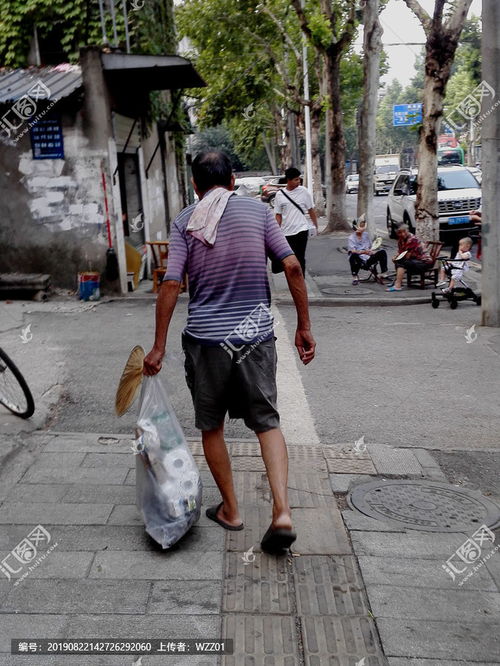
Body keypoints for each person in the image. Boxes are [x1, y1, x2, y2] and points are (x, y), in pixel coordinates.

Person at [143, 151, 316, 555]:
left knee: (212, 425)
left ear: (195, 185)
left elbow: (171, 285)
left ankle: (232, 511)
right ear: (234, 179)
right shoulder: (258, 214)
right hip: (255, 338)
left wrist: (158, 346)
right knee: (267, 423)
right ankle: (282, 512)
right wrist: (304, 326)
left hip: (205, 341)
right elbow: (291, 267)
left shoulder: (187, 219)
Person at [273, 167, 318, 275]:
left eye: (299, 179)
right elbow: (278, 215)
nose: (298, 182)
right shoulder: (279, 195)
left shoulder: (303, 191)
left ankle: (301, 279)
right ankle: (292, 277)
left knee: (300, 257)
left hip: (302, 229)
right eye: (296, 180)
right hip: (286, 232)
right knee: (289, 258)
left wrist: (315, 226)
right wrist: (276, 230)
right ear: (288, 180)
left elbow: (311, 210)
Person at [386, 224, 433, 292]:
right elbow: (401, 253)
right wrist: (396, 257)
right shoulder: (401, 240)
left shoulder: (412, 239)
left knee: (402, 262)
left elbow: (407, 255)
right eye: (400, 233)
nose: (403, 234)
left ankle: (398, 285)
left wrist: (398, 257)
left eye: (404, 231)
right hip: (414, 260)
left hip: (424, 262)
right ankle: (397, 281)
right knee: (398, 261)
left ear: (407, 230)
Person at [347, 218, 388, 285]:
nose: (362, 228)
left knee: (382, 252)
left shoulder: (366, 235)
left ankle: (383, 273)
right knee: (353, 255)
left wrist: (371, 251)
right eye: (361, 225)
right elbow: (353, 251)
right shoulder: (351, 238)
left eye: (363, 225)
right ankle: (355, 277)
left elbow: (370, 247)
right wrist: (363, 252)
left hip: (368, 257)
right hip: (358, 259)